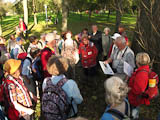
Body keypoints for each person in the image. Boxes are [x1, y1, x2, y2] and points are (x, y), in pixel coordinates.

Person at [128, 52, 151, 119]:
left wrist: (128, 88)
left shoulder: (141, 74)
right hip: (137, 99)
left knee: (133, 114)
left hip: (135, 100)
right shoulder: (144, 69)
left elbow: (137, 91)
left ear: (137, 62)